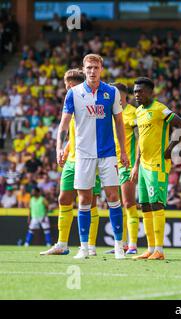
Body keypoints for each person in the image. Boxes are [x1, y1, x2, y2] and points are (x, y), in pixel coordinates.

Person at [56, 54, 129, 260]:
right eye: (88, 68)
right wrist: (59, 148)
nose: (92, 71)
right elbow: (64, 125)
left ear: (101, 69)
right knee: (84, 199)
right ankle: (84, 247)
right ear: (84, 69)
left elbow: (119, 124)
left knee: (113, 197)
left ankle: (118, 246)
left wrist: (123, 151)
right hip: (83, 154)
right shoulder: (73, 94)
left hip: (107, 153)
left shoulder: (111, 92)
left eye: (95, 67)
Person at [40, 69, 102, 257]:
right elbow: (73, 134)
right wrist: (64, 150)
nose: (67, 90)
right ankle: (62, 244)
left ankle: (90, 246)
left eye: (70, 86)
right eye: (66, 87)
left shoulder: (94, 103)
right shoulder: (72, 105)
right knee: (64, 199)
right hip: (73, 160)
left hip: (92, 158)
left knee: (90, 202)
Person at [130, 77, 181, 261]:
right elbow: (141, 140)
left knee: (156, 204)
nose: (137, 95)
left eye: (140, 91)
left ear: (150, 92)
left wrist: (170, 149)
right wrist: (136, 165)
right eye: (135, 91)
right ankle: (150, 248)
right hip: (144, 165)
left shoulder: (160, 109)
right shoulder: (139, 111)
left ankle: (160, 250)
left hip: (158, 164)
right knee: (145, 206)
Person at [104, 82, 140, 255]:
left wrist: (136, 165)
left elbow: (139, 140)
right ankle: (121, 243)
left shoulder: (133, 113)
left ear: (124, 95)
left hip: (127, 164)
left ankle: (132, 244)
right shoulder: (109, 114)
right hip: (111, 163)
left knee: (129, 203)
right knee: (116, 205)